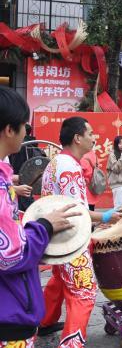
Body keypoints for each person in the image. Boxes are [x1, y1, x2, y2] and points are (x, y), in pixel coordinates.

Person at [0, 87, 78, 347]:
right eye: (24, 125)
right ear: (9, 129)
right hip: (8, 316)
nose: (26, 132)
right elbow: (12, 255)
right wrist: (45, 226)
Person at [39, 116, 122, 347]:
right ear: (77, 138)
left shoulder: (55, 162)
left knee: (59, 280)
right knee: (83, 289)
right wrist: (106, 216)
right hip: (70, 240)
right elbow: (76, 211)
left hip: (56, 239)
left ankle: (44, 322)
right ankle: (71, 344)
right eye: (90, 133)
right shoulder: (71, 166)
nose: (93, 138)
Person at [8, 123, 44, 211]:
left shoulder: (23, 148)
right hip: (24, 191)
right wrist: (16, 189)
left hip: (18, 193)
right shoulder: (35, 149)